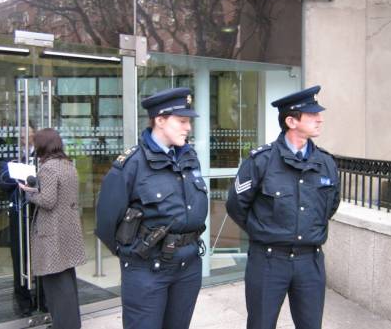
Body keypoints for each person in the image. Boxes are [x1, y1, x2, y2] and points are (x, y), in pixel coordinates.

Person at [225, 85, 340, 329]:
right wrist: (264, 230)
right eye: (312, 114)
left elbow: (330, 206)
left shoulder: (326, 163)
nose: (320, 119)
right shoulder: (261, 161)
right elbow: (236, 205)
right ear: (291, 121)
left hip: (310, 261)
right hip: (268, 261)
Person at [96, 87, 208, 329]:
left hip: (187, 266)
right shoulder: (132, 164)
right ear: (160, 120)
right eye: (182, 121)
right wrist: (135, 255)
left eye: (188, 121)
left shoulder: (189, 158)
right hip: (148, 269)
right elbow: (106, 223)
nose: (188, 127)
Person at [18, 128, 86, 329]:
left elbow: (47, 200)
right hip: (67, 228)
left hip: (52, 231)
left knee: (56, 285)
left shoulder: (48, 168)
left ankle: (64, 325)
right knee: (67, 281)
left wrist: (29, 192)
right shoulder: (68, 164)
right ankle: (70, 323)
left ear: (43, 145)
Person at [0, 125, 42, 315]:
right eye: (22, 133)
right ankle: (23, 301)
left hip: (39, 210)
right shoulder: (10, 153)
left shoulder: (42, 153)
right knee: (20, 256)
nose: (25, 136)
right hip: (19, 210)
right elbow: (0, 180)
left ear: (34, 134)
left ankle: (43, 298)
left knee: (41, 255)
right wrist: (17, 178)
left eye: (28, 132)